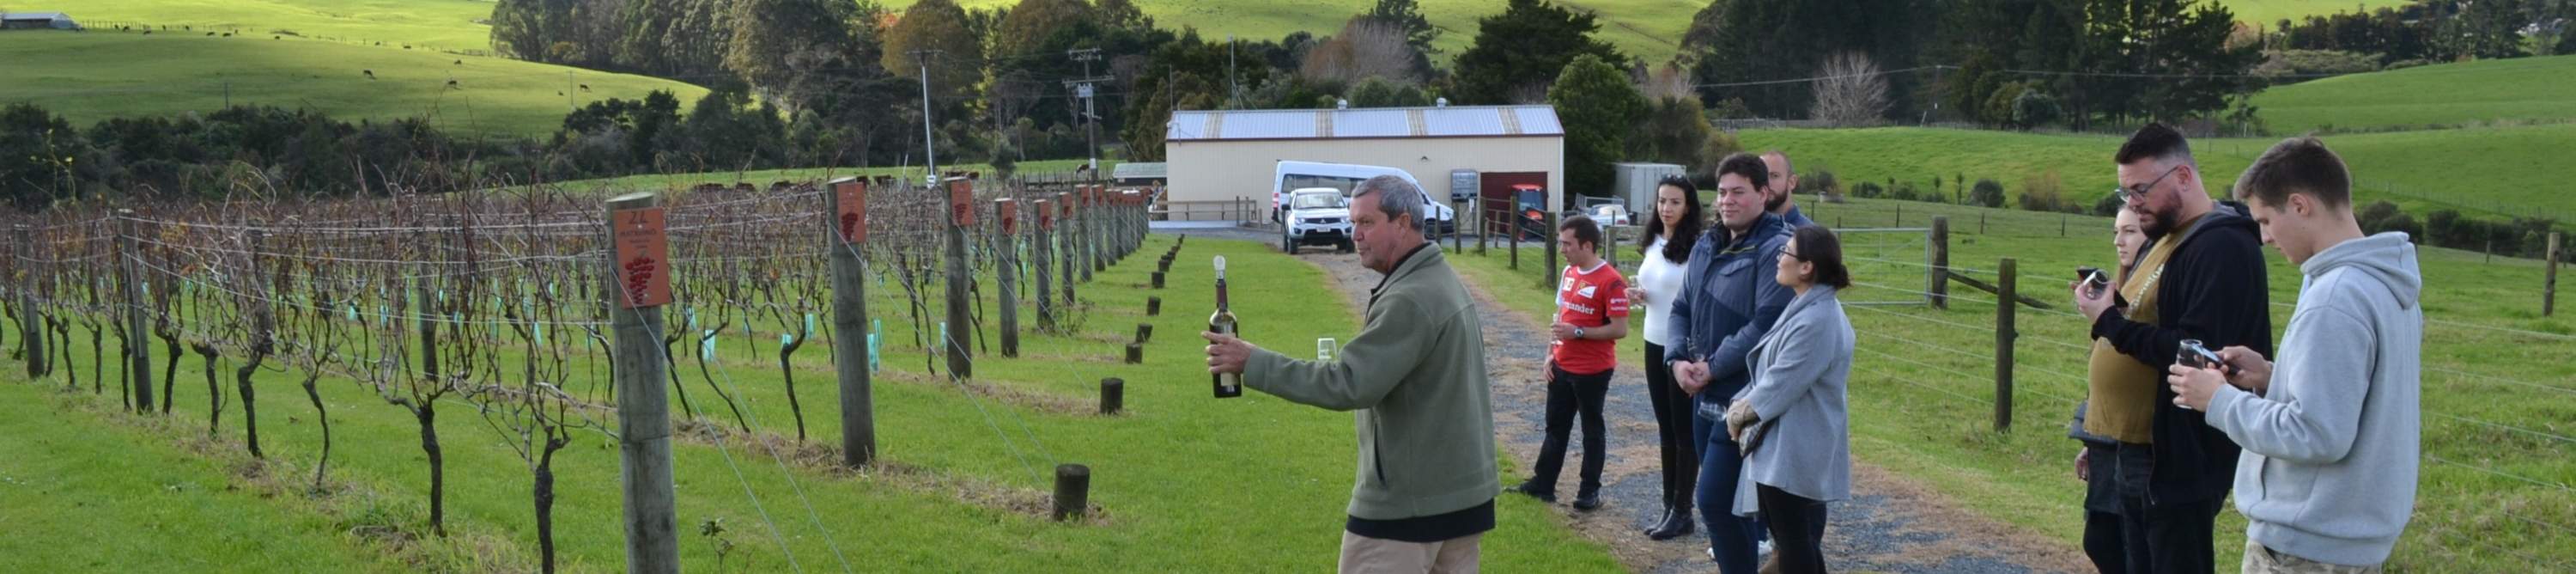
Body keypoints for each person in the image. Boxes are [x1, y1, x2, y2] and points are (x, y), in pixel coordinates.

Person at [1202, 175, 1497, 573]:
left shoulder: (1411, 297)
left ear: (1403, 222)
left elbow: (1349, 383)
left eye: (1366, 223)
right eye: (1352, 221)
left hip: (1408, 508)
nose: (1353, 234)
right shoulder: (1440, 280)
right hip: (1460, 496)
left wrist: (1252, 362)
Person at [2167, 137, 2421, 572]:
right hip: (2349, 540)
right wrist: (2272, 376)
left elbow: (2317, 434)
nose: (2264, 238)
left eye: (2266, 220)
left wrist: (2219, 400)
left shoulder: (2335, 298)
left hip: (2306, 547)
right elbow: (2354, 399)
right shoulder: (2385, 284)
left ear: (2300, 206)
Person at [2073, 123, 2274, 574]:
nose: (2133, 202)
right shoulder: (2169, 237)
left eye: (2141, 189)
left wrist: (2108, 322)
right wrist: (2108, 304)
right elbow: (2153, 319)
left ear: (2183, 177)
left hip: (2178, 456)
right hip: (2141, 450)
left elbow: (2197, 351)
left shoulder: (2220, 246)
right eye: (2126, 192)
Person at [1669, 153, 1794, 573]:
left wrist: (1713, 367)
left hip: (1742, 395)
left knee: (1714, 502)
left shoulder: (1775, 248)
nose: (1727, 200)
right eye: (1722, 192)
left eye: (1738, 192)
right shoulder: (1707, 243)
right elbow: (1682, 306)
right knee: (1731, 508)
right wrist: (1677, 360)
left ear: (1764, 193)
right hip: (1701, 391)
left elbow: (1766, 323)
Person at [1722, 224, 1855, 574]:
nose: (1780, 259)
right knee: (1798, 540)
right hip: (1791, 445)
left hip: (1795, 448)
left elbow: (1781, 383)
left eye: (1787, 253)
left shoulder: (1817, 319)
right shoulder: (1808, 307)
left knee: (1794, 542)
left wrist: (1739, 414)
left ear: (1807, 267)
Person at [1510, 215, 1630, 511]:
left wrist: (1579, 333)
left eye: (1567, 243)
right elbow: (1559, 317)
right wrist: (1550, 353)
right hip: (1562, 366)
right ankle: (1543, 484)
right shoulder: (1568, 273)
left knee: (1592, 431)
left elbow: (1620, 329)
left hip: (1592, 371)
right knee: (1555, 428)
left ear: (1587, 245)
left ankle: (1589, 491)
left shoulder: (1611, 281)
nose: (1562, 249)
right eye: (1561, 242)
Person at [2071, 208, 2152, 574]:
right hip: (2106, 437)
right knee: (2100, 538)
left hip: (2138, 441)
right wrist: (2091, 439)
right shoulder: (2120, 292)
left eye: (2130, 231)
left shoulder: (2153, 299)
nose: (2119, 240)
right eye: (2116, 231)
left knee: (2132, 547)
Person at [1631, 175, 1708, 540]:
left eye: (1675, 202)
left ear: (1688, 206)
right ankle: (1668, 506)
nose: (1666, 208)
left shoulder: (1697, 246)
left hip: (1682, 348)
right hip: (1652, 341)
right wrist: (1641, 295)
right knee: (1665, 427)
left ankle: (1683, 511)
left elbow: (1696, 298)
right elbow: (1661, 288)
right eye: (1662, 201)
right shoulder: (1653, 241)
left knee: (1683, 431)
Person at [1759, 150, 1814, 229]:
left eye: (1774, 176)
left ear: (1792, 182)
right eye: (1761, 176)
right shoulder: (1746, 231)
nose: (1766, 183)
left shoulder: (1809, 237)